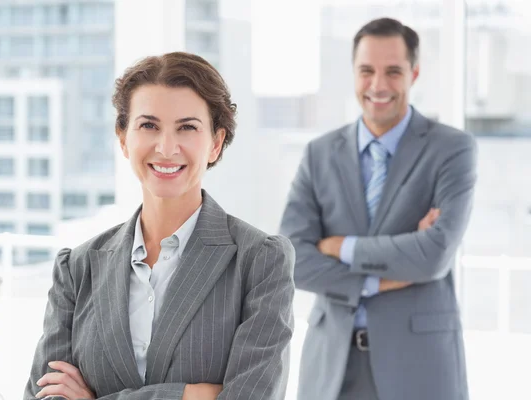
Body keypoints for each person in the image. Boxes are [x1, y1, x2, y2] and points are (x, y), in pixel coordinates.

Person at [24, 52, 295, 400]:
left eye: (187, 127)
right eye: (149, 126)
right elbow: (42, 394)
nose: (167, 147)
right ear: (123, 138)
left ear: (215, 143)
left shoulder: (260, 261)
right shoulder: (78, 268)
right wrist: (190, 395)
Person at [280, 17, 477, 400]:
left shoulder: (452, 149)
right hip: (332, 366)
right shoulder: (319, 154)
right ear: (354, 73)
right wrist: (377, 280)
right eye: (367, 71)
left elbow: (434, 255)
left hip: (419, 363)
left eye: (393, 72)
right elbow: (292, 259)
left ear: (414, 73)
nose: (378, 86)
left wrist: (340, 248)